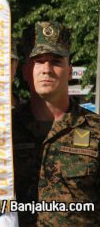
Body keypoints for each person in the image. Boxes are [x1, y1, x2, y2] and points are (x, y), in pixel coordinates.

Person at [13, 21, 100, 226]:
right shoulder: (3, 130)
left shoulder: (95, 129)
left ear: (69, 71)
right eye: (38, 61)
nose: (47, 69)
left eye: (56, 61)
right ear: (26, 71)